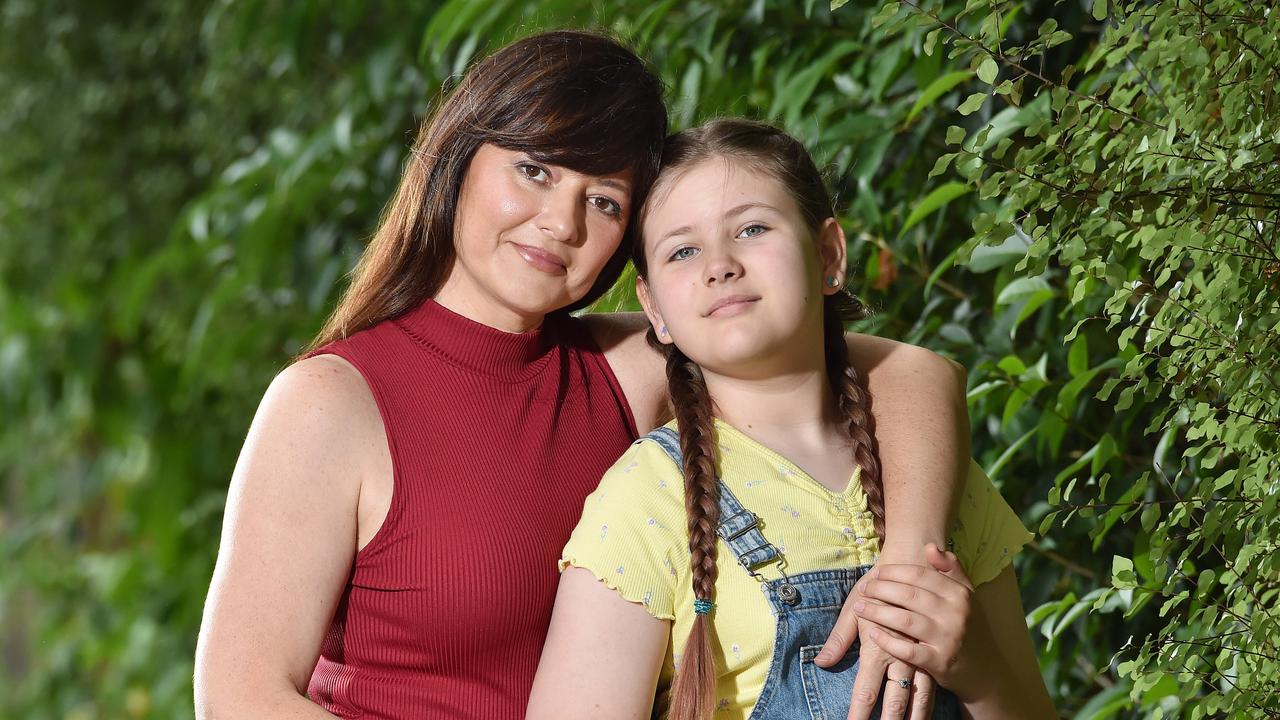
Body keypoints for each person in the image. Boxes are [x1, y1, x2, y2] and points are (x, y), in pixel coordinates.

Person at [194, 32, 971, 720]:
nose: (561, 224)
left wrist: (908, 565)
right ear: (459, 157)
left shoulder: (617, 370)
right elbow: (240, 698)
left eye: (601, 200)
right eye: (533, 170)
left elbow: (910, 373)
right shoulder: (333, 401)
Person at [525, 119, 1057, 719]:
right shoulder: (646, 500)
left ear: (829, 255)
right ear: (655, 310)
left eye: (751, 228)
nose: (719, 264)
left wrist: (978, 669)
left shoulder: (933, 475)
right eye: (683, 251)